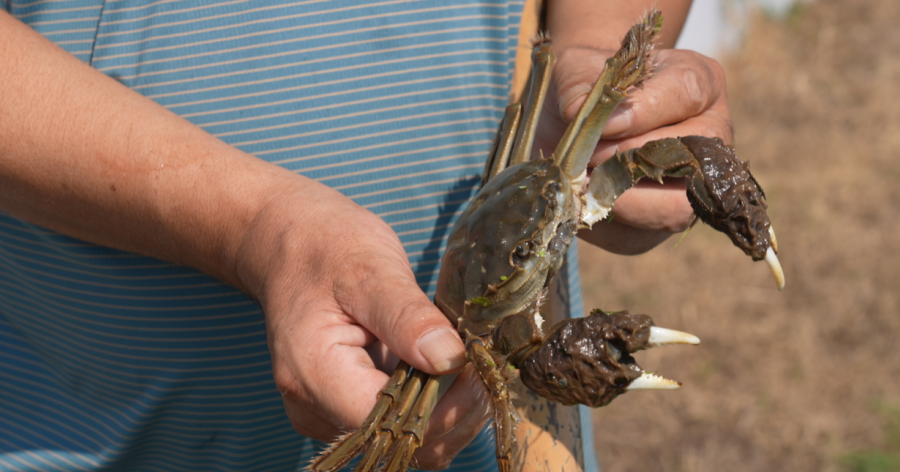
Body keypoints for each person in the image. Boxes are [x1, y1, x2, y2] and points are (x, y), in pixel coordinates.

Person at [0, 0, 732, 470]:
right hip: (94, 423)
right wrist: (255, 226)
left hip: (497, 406)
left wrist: (599, 61)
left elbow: (605, 51)